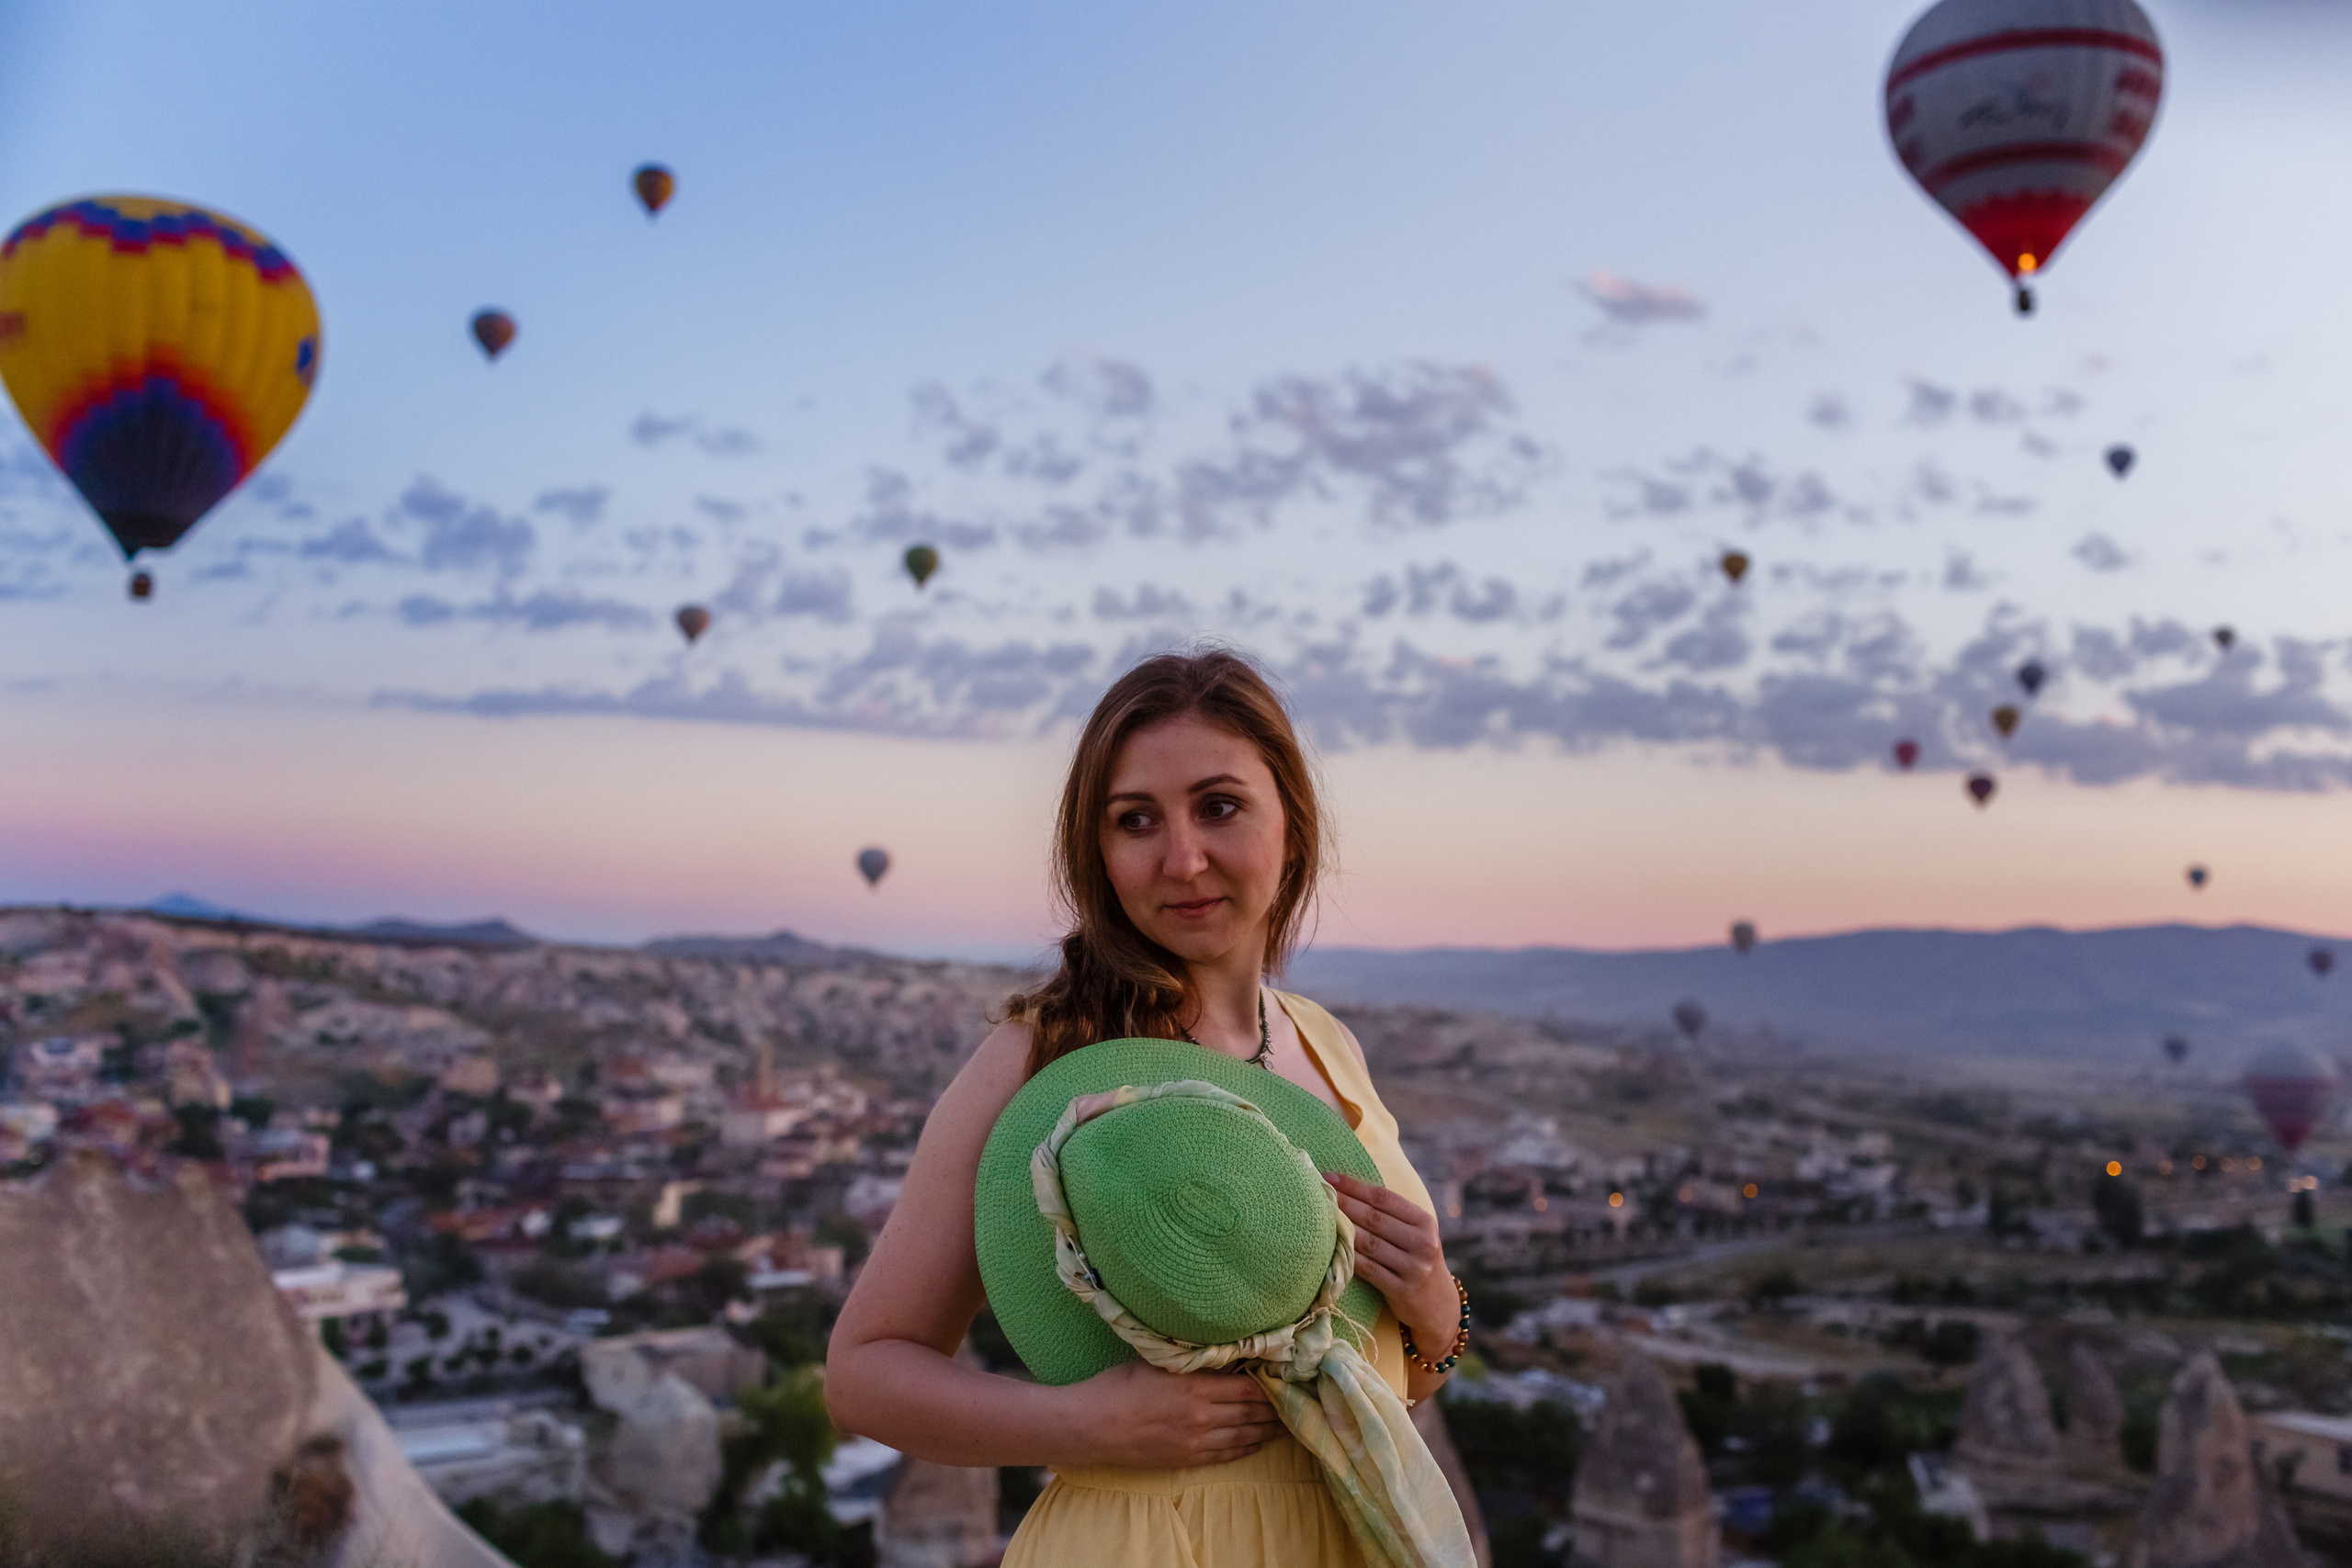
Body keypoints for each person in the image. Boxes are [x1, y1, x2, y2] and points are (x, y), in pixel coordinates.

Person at [826, 648, 1466, 1565]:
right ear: (1098, 853)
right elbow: (862, 1376)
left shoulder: (1329, 1047)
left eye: (1219, 806)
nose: (1183, 858)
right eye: (1135, 821)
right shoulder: (1039, 1058)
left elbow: (1382, 1392)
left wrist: (1440, 1316)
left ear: (1292, 820)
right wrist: (1079, 1425)